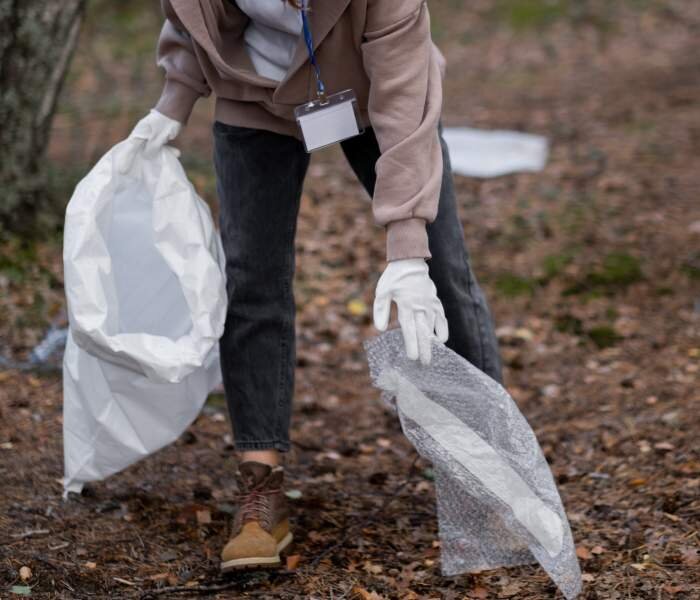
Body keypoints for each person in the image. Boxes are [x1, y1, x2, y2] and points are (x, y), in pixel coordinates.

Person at [119, 0, 503, 573]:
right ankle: (261, 495)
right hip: (257, 96)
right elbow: (195, 20)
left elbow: (403, 93)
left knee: (441, 270)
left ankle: (498, 475)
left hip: (374, 94)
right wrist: (173, 103)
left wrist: (406, 247)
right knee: (251, 280)